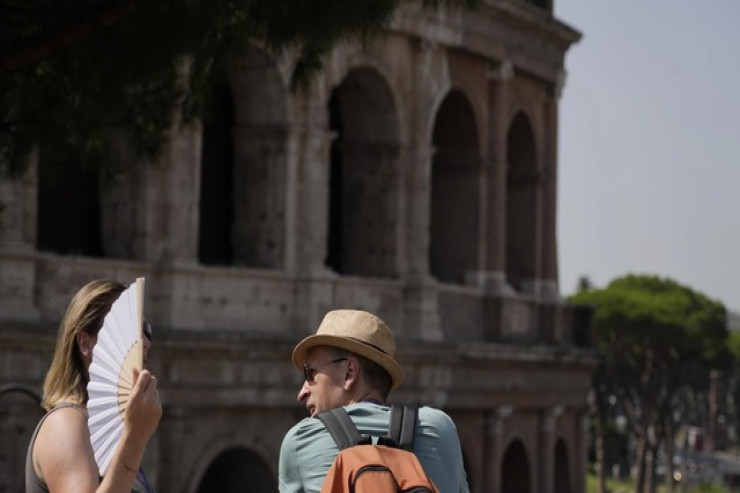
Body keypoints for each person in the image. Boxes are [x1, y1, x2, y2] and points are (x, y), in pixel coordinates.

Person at [278, 309, 469, 493]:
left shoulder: (301, 440)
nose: (303, 391)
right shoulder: (440, 427)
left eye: (311, 373)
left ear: (349, 372)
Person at [25, 279, 162, 493]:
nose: (145, 340)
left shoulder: (107, 431)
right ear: (86, 344)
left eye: (145, 328)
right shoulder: (66, 423)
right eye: (129, 327)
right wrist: (135, 440)